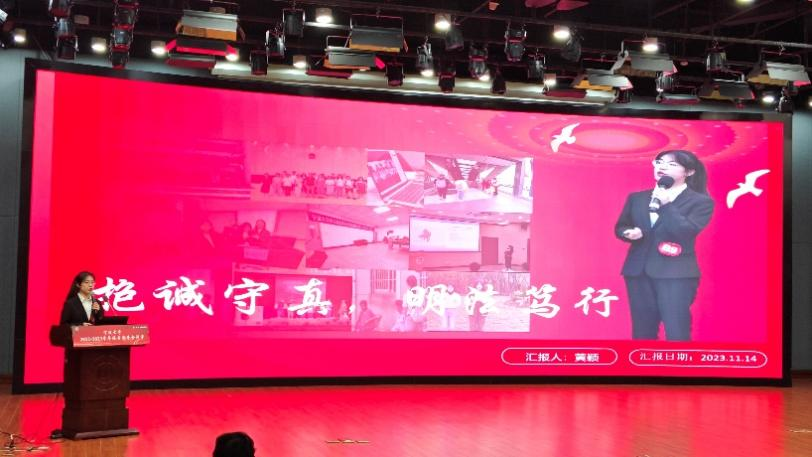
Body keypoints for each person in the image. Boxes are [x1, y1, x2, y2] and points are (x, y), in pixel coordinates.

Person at [614, 150, 714, 341]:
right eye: (659, 162)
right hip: (638, 272)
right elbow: (621, 226)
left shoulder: (700, 202)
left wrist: (667, 205)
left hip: (676, 274)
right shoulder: (637, 198)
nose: (662, 167)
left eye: (672, 164)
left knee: (677, 332)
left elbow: (686, 232)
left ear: (689, 172)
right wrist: (628, 233)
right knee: (642, 333)